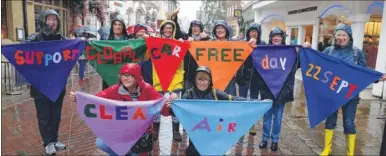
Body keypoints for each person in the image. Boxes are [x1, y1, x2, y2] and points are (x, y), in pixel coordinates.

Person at [70, 63, 174, 156]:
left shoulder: (147, 89)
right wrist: (79, 99)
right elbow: (96, 100)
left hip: (141, 134)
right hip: (122, 132)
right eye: (123, 75)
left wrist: (170, 105)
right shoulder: (114, 89)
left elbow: (162, 107)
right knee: (101, 143)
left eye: (130, 75)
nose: (126, 78)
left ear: (137, 77)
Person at [316, 23, 386, 156]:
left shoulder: (356, 52)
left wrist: (376, 77)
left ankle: (350, 152)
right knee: (330, 121)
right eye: (338, 34)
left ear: (349, 36)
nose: (341, 37)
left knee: (349, 123)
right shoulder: (328, 51)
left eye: (344, 35)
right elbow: (318, 67)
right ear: (334, 36)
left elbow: (363, 71)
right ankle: (327, 149)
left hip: (350, 94)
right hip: (331, 93)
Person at [22, 9, 67, 155]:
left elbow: (74, 46)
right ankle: (47, 142)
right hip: (40, 87)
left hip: (58, 85)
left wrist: (81, 42)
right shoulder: (34, 38)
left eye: (55, 20)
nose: (52, 23)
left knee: (56, 115)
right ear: (43, 20)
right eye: (49, 19)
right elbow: (21, 50)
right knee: (44, 116)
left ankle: (54, 139)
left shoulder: (62, 39)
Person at [183, 66, 248, 156]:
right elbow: (176, 110)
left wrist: (256, 102)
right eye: (199, 79)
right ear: (195, 80)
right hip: (195, 142)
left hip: (213, 139)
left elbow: (234, 99)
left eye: (205, 79)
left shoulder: (215, 93)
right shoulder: (189, 94)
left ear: (209, 81)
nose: (202, 82)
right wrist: (171, 103)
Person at [256, 27, 298, 152]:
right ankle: (265, 138)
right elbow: (258, 68)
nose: (276, 38)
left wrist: (302, 50)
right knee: (267, 116)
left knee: (278, 117)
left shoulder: (290, 52)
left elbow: (294, 69)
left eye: (279, 36)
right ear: (270, 38)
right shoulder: (264, 51)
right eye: (274, 36)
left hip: (282, 90)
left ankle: (275, 140)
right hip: (267, 89)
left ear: (282, 38)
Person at [236, 23, 267, 136]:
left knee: (254, 100)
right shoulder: (243, 43)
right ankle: (242, 122)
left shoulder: (262, 44)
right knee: (242, 100)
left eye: (256, 31)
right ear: (248, 33)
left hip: (256, 78)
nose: (253, 33)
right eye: (251, 31)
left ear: (258, 33)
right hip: (244, 76)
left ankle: (251, 123)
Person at [101, 15, 130, 90]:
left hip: (125, 74)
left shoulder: (129, 40)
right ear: (112, 26)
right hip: (109, 73)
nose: (117, 27)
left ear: (123, 27)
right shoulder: (106, 40)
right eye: (115, 24)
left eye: (120, 25)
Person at [211, 20, 237, 96]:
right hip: (214, 78)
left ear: (226, 29)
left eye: (222, 28)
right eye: (218, 28)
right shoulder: (209, 43)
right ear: (215, 30)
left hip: (229, 79)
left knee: (229, 101)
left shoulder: (233, 43)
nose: (220, 30)